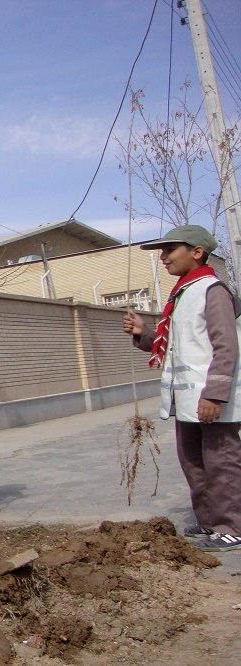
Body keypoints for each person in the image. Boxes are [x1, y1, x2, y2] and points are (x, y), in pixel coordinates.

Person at [122, 225, 241, 552]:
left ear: (197, 252)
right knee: (194, 462)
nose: (163, 257)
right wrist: (143, 334)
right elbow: (174, 346)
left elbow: (226, 347)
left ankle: (233, 526)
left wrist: (215, 394)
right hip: (188, 401)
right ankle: (208, 521)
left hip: (212, 401)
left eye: (169, 250)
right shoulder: (183, 292)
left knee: (222, 463)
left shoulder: (212, 291)